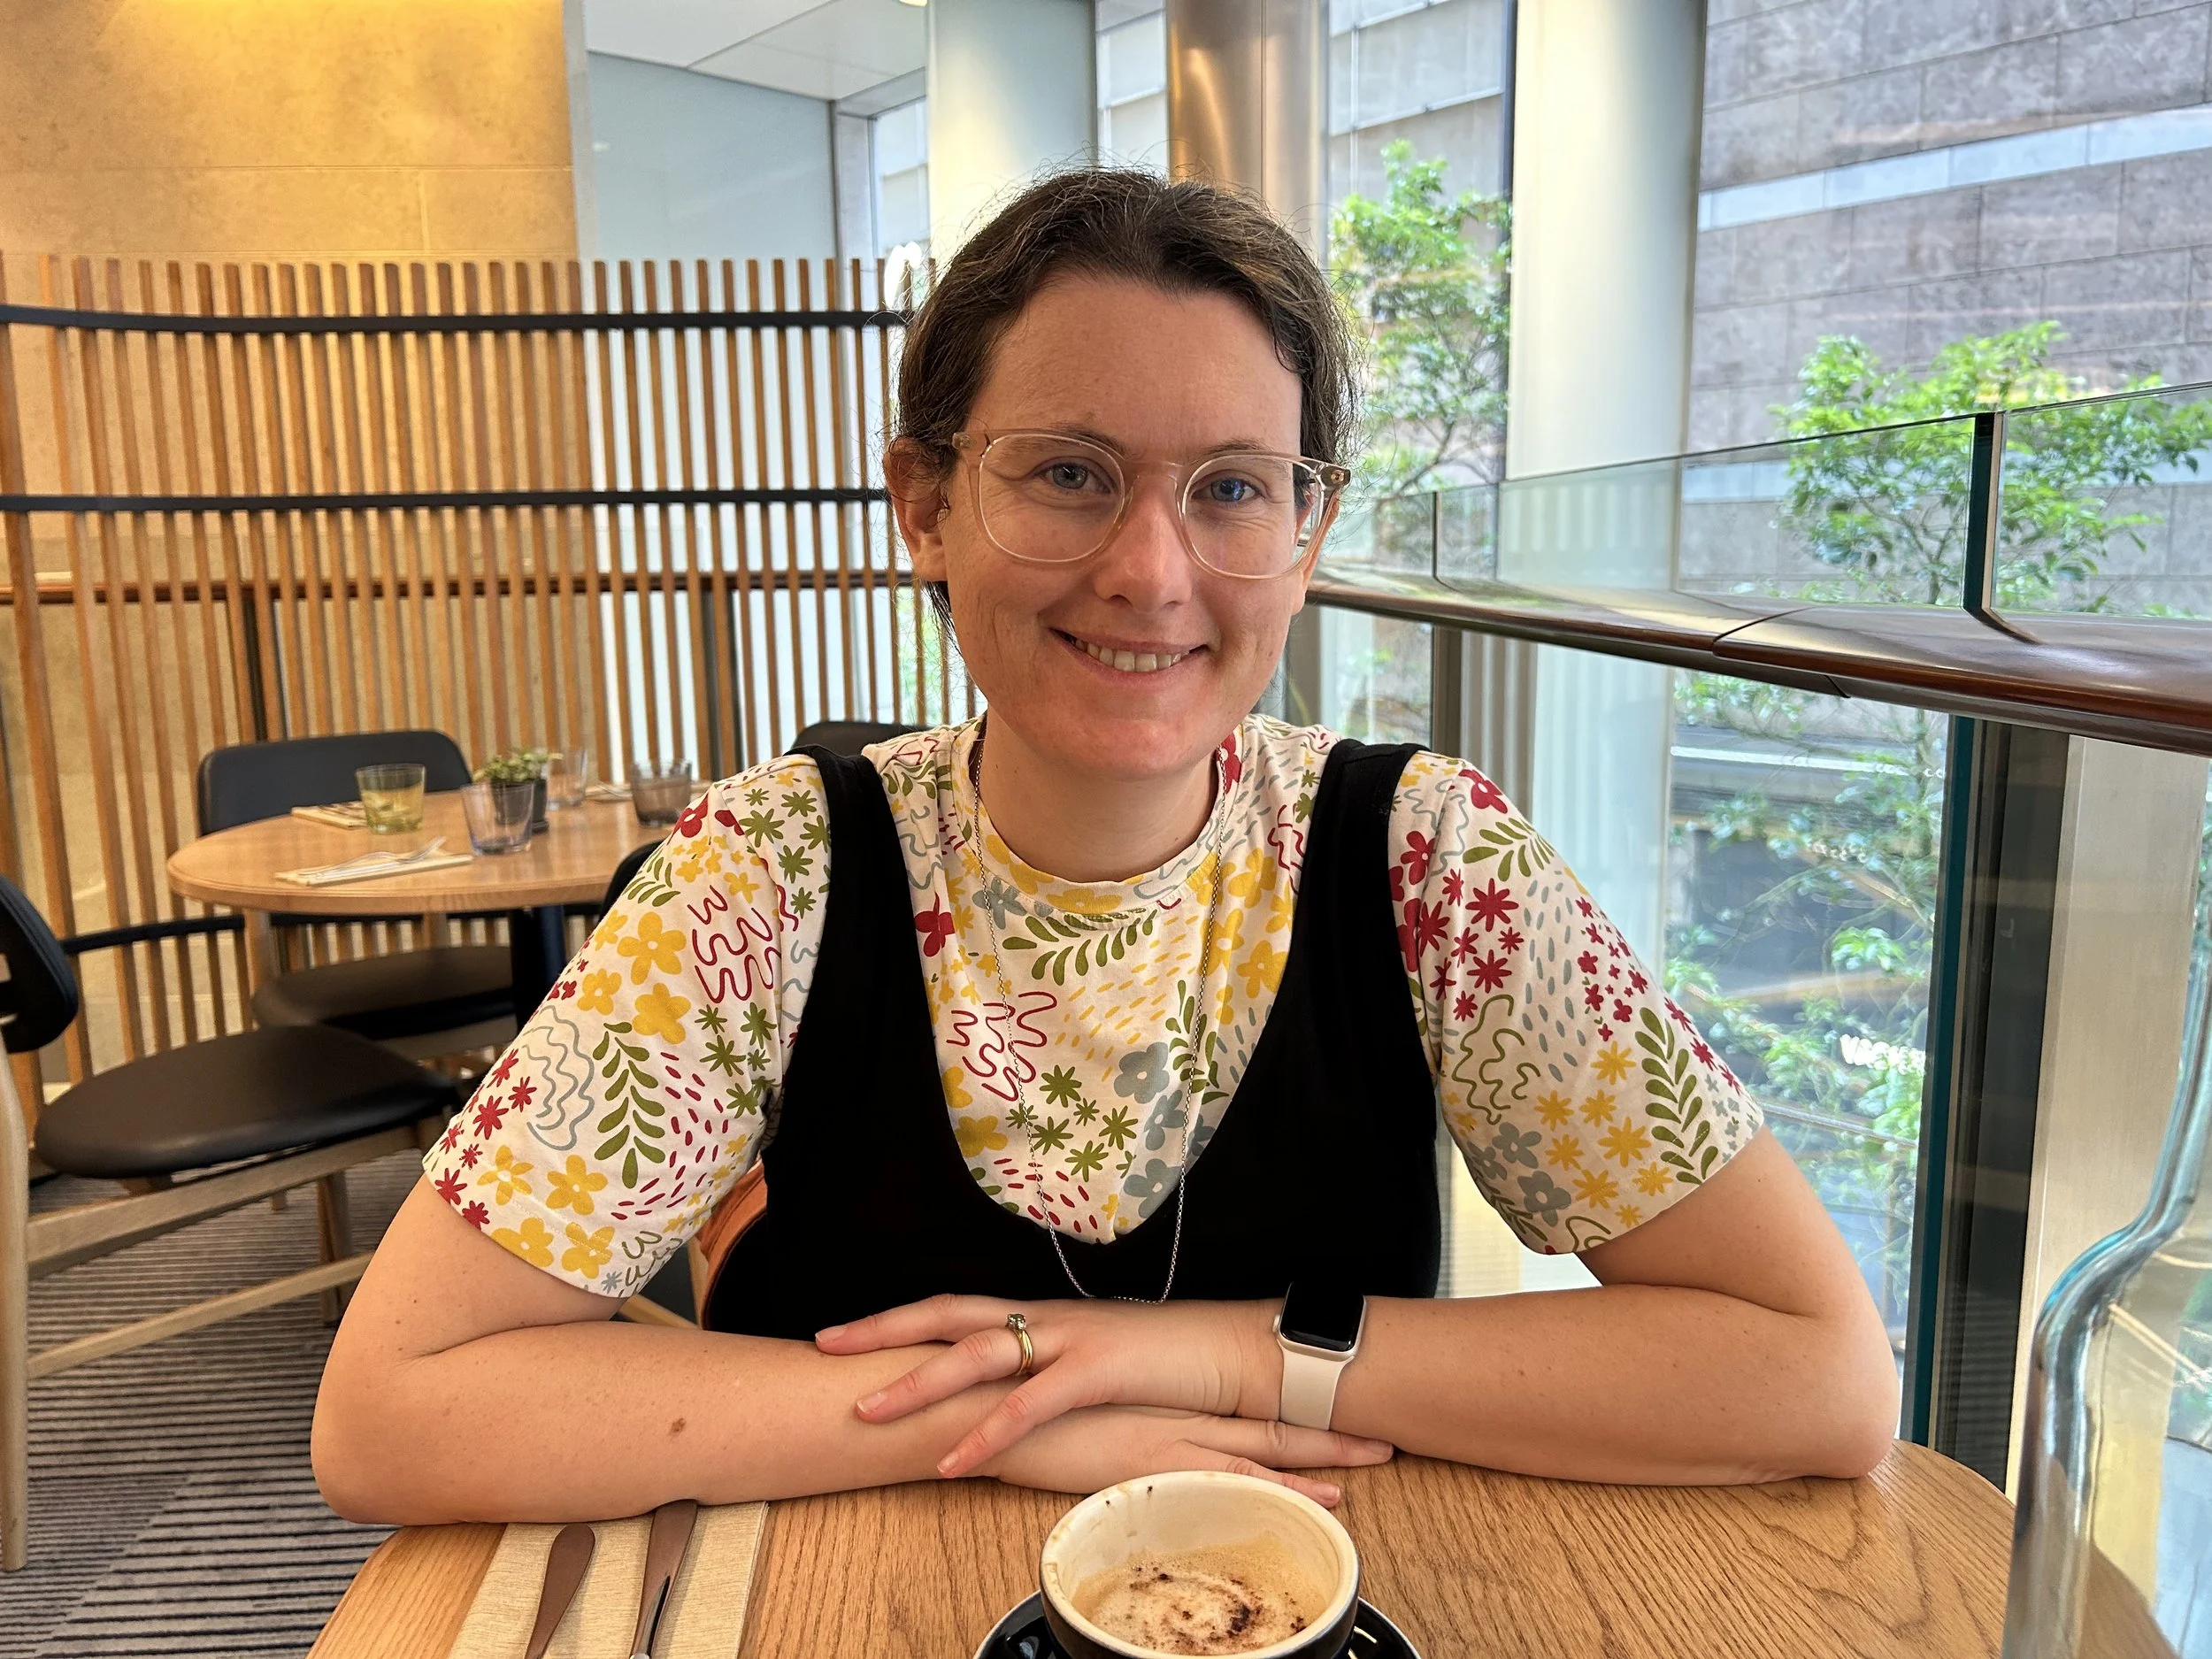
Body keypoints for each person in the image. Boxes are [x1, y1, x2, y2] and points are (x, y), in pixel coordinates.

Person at [312, 169, 1899, 1526]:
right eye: (1070, 473)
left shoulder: (1438, 869)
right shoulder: (767, 874)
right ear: (926, 506)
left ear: (1307, 532)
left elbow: (1819, 1372)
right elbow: (391, 1406)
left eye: (1233, 488)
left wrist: (1208, 1355)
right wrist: (1002, 1421)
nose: (1152, 569)